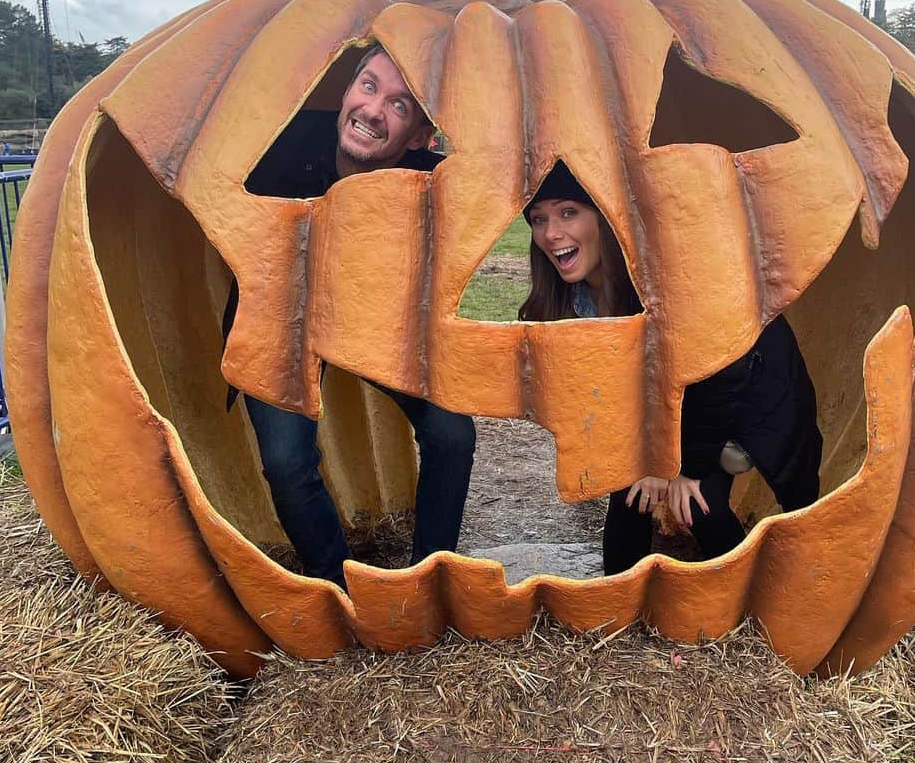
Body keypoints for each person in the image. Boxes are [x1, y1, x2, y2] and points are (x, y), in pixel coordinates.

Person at [225, 44, 476, 585]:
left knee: (452, 430)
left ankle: (431, 573)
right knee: (287, 461)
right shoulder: (279, 147)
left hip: (371, 324)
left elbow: (512, 175)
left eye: (400, 105)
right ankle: (332, 578)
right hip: (277, 322)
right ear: (347, 88)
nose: (372, 110)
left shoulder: (431, 181)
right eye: (368, 86)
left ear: (418, 138)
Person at [519, 161, 821, 575]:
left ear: (604, 217)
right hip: (680, 409)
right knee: (629, 496)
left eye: (568, 212)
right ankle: (620, 602)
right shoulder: (572, 302)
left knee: (700, 504)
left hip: (744, 390)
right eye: (539, 219)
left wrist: (680, 467)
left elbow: (718, 374)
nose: (552, 233)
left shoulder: (661, 276)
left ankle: (755, 600)